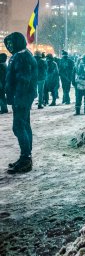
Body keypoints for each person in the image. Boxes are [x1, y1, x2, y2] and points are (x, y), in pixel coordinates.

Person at [4, 32, 38, 173]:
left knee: (18, 127)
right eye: (8, 44)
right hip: (22, 97)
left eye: (12, 43)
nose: (10, 46)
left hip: (22, 97)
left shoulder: (21, 56)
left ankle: (26, 159)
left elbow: (23, 80)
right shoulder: (23, 55)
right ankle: (25, 157)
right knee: (24, 125)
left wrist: (18, 98)